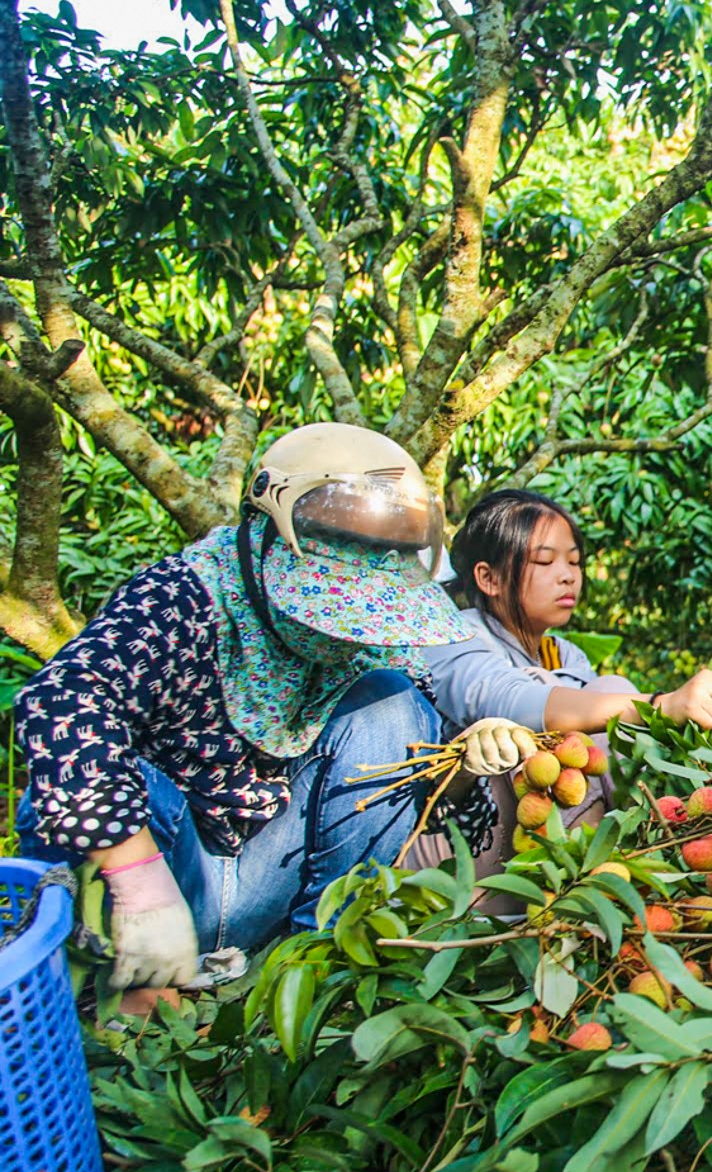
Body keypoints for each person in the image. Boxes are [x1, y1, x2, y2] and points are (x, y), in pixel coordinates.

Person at [13, 424, 533, 1000]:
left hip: (266, 876)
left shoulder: (376, 644)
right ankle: (105, 988)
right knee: (72, 779)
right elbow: (59, 704)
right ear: (266, 538)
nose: (342, 635)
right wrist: (140, 884)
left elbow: (411, 785)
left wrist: (462, 758)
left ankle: (314, 967)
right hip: (167, 880)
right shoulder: (184, 599)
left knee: (391, 704)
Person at [428, 489, 712, 737]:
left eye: (574, 562)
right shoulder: (456, 637)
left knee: (612, 689)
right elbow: (508, 703)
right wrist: (659, 706)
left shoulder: (565, 655)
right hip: (486, 812)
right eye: (545, 561)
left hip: (569, 807)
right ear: (490, 578)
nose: (568, 576)